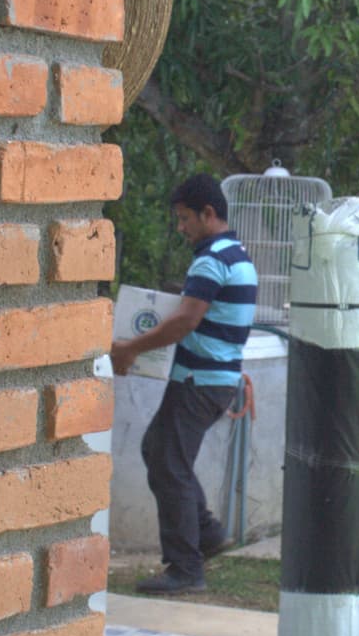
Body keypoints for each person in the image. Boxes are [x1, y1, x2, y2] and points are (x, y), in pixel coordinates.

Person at [110, 174, 257, 595]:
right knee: (158, 451)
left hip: (199, 380)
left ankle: (185, 568)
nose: (181, 228)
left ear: (208, 214)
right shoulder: (236, 254)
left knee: (170, 465)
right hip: (214, 379)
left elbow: (186, 320)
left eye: (184, 219)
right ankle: (207, 533)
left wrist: (131, 348)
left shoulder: (211, 258)